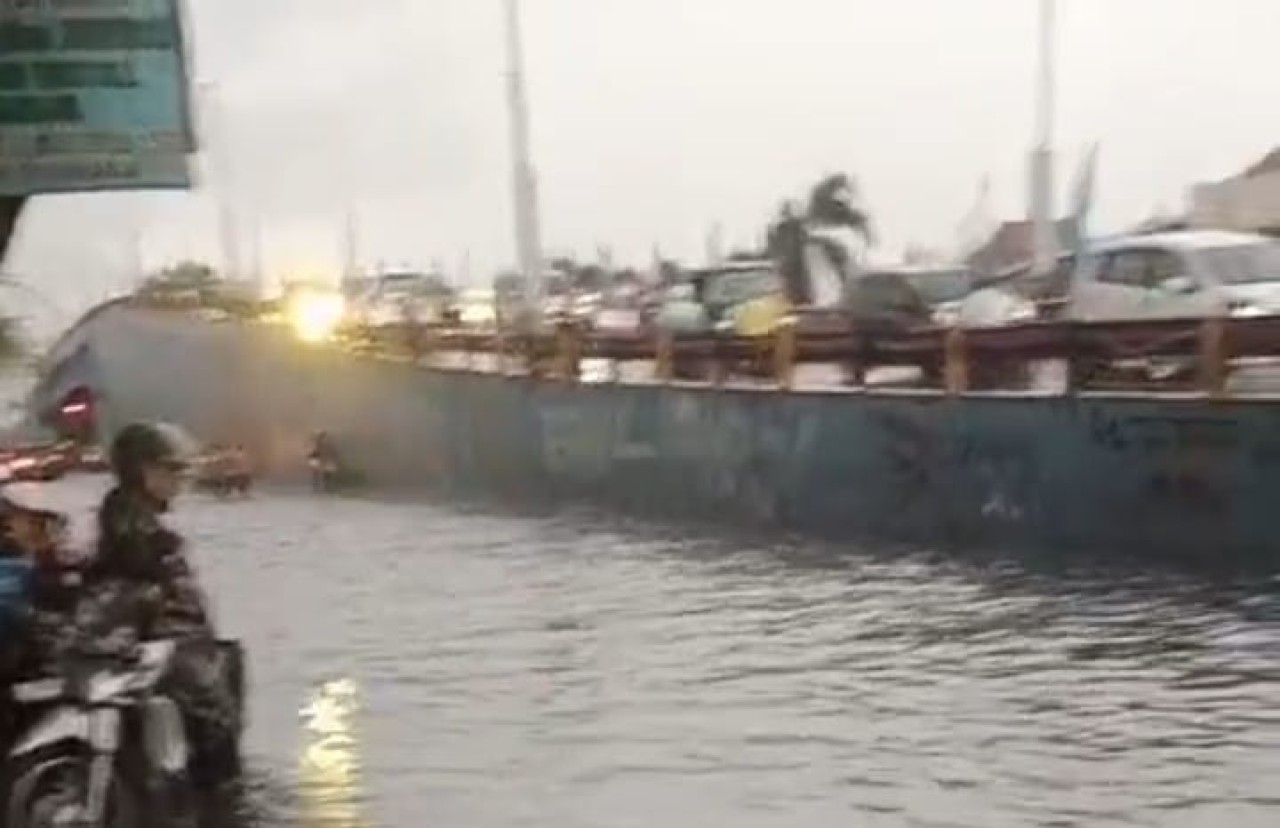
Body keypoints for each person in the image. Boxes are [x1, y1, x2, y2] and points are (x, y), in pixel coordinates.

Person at [85, 422, 241, 794]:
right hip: (148, 646)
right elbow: (139, 588)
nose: (178, 479)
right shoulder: (134, 524)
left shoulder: (134, 515)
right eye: (170, 470)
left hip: (152, 639)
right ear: (145, 471)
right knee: (212, 709)